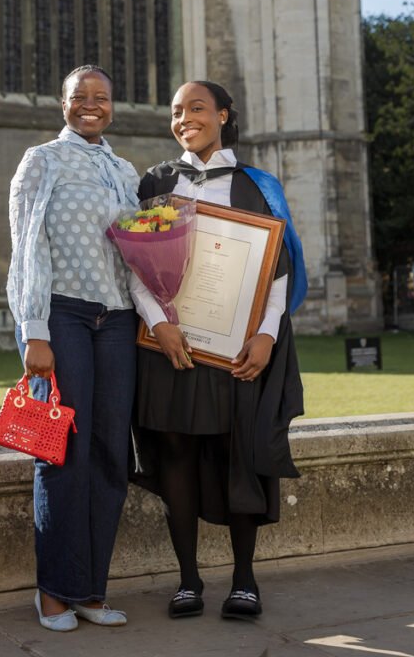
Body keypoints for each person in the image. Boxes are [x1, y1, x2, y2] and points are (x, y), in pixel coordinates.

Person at [129, 80, 306, 621]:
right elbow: (136, 264)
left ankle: (245, 580)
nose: (185, 118)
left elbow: (278, 269)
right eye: (177, 111)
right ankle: (188, 580)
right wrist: (159, 323)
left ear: (224, 115)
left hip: (238, 351)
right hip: (171, 348)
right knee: (176, 456)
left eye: (197, 108)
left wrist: (267, 334)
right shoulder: (156, 182)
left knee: (239, 455)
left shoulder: (258, 186)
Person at [6, 65, 140, 632]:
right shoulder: (42, 160)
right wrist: (34, 328)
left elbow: (138, 250)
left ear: (112, 105)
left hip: (119, 320)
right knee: (62, 451)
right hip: (61, 314)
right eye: (79, 96)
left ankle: (90, 590)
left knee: (111, 453)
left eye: (100, 97)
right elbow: (27, 248)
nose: (90, 105)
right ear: (62, 103)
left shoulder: (125, 171)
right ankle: (54, 591)